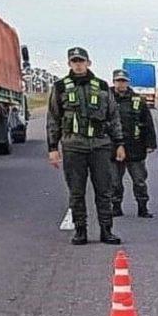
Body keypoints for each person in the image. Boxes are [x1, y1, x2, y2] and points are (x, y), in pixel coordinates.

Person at [47, 47, 125, 245]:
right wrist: (53, 148)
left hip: (100, 145)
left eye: (81, 61)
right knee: (76, 191)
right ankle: (80, 230)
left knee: (104, 190)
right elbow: (54, 118)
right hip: (74, 145)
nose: (78, 64)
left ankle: (106, 230)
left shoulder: (101, 86)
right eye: (74, 61)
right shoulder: (60, 87)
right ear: (69, 64)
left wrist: (119, 144)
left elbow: (113, 117)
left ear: (89, 63)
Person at [110, 69, 157, 218]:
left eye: (123, 81)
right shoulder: (106, 98)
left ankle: (142, 207)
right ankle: (116, 206)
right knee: (115, 181)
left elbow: (148, 123)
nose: (121, 84)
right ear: (114, 82)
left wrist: (150, 144)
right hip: (113, 148)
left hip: (135, 147)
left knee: (139, 180)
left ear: (128, 82)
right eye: (118, 81)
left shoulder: (137, 100)